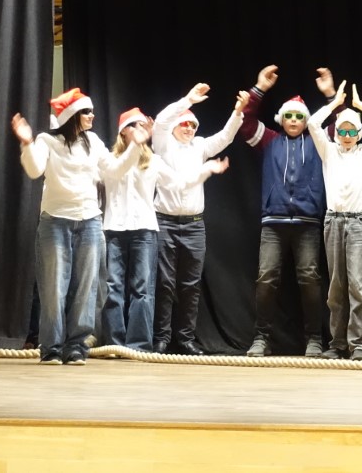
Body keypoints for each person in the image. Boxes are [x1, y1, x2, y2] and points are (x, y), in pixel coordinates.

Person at [12, 88, 145, 365]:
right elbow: (35, 170)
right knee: (53, 288)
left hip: (89, 222)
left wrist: (135, 146)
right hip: (55, 221)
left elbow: (114, 171)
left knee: (86, 288)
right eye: (87, 111)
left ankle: (75, 347)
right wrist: (26, 143)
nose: (93, 116)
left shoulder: (93, 142)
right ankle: (51, 348)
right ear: (73, 115)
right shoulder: (47, 140)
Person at [101, 107, 229, 352]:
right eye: (134, 126)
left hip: (145, 230)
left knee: (142, 289)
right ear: (123, 131)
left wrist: (207, 170)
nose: (140, 130)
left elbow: (180, 184)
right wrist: (136, 146)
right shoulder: (109, 159)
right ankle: (114, 343)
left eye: (142, 125)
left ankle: (139, 344)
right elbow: (118, 170)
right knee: (114, 287)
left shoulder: (154, 161)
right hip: (115, 230)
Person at [238, 65, 335, 358]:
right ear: (282, 119)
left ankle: (314, 339)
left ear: (307, 120)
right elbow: (246, 123)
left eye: (299, 116)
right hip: (273, 222)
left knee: (310, 280)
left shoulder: (318, 142)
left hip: (308, 222)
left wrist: (330, 94)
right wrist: (259, 89)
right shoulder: (269, 140)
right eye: (289, 116)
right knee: (266, 279)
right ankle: (261, 338)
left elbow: (342, 125)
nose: (294, 120)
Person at [151, 84, 247, 355]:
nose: (189, 129)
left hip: (194, 225)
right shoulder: (162, 144)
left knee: (191, 285)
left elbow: (226, 137)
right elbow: (161, 121)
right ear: (175, 126)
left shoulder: (200, 146)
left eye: (193, 125)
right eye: (184, 124)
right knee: (164, 283)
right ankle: (161, 337)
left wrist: (238, 112)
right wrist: (188, 100)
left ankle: (185, 339)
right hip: (165, 222)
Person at [306, 81, 362, 361]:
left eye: (352, 130)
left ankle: (359, 345)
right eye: (342, 130)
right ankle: (338, 343)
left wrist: (361, 106)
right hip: (333, 221)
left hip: (359, 224)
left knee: (358, 286)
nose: (346, 135)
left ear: (359, 133)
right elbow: (313, 123)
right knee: (336, 288)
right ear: (336, 133)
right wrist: (333, 104)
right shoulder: (328, 151)